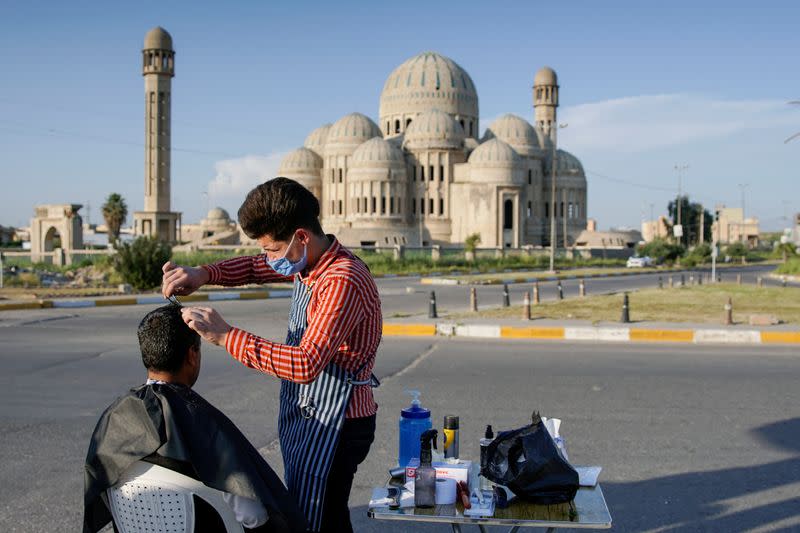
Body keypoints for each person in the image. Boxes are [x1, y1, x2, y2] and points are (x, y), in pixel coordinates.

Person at [162, 177, 382, 532]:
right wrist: (203, 274)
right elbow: (252, 267)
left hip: (337, 424)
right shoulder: (307, 265)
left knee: (318, 519)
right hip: (309, 414)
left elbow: (306, 363)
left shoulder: (342, 279)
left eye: (273, 249)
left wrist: (226, 336)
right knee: (317, 516)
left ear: (301, 237)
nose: (269, 259)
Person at [83, 305, 307, 533]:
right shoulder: (207, 425)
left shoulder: (113, 419)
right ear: (192, 355)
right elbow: (254, 517)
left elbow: (99, 488)